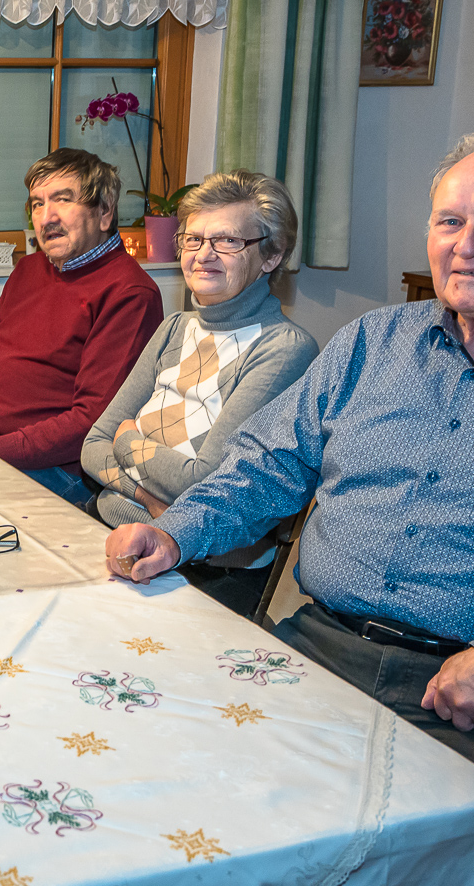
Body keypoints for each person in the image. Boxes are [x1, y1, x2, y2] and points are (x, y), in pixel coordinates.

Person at [104, 133, 474, 874]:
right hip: (319, 649)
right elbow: (265, 462)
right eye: (450, 221)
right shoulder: (372, 343)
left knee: (443, 881)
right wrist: (176, 530)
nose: (468, 245)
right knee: (161, 793)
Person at [81, 171, 317, 615]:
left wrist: (128, 441)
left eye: (227, 241)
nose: (203, 255)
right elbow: (92, 448)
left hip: (204, 568)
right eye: (192, 240)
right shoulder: (174, 328)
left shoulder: (283, 349)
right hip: (112, 528)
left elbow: (203, 482)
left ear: (272, 255)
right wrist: (151, 498)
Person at [0, 148, 163, 504]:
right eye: (37, 204)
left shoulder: (131, 293)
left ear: (104, 212)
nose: (46, 217)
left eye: (62, 200)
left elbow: (91, 421)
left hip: (49, 468)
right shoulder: (30, 269)